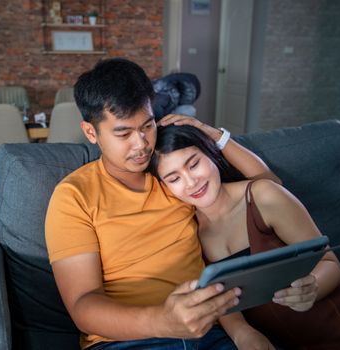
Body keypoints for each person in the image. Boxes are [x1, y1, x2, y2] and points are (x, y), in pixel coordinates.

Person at [44, 58, 280, 349]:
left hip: (210, 332)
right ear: (91, 132)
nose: (141, 144)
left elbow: (267, 186)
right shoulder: (74, 196)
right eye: (124, 133)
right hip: (125, 342)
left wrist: (206, 131)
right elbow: (83, 305)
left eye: (148, 125)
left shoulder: (175, 175)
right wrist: (162, 321)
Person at [148, 118, 340, 350]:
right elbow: (215, 296)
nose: (191, 182)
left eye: (193, 164)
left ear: (211, 155)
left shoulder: (263, 195)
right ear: (165, 187)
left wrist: (313, 286)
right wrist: (241, 332)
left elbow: (331, 264)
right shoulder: (186, 229)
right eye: (174, 178)